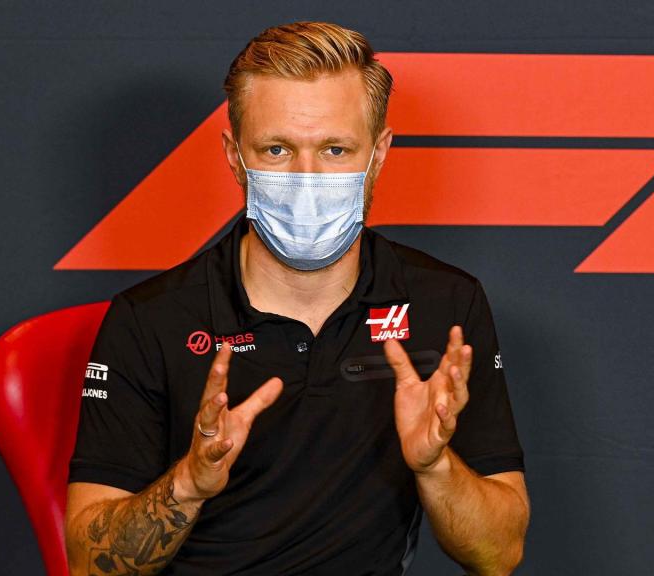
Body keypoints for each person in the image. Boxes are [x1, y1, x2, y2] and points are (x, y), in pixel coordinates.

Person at [65, 21, 529, 576]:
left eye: (335, 149)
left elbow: (499, 554)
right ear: (234, 155)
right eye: (277, 149)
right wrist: (188, 484)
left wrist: (435, 467)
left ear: (379, 153)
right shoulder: (151, 319)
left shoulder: (445, 305)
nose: (307, 178)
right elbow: (88, 564)